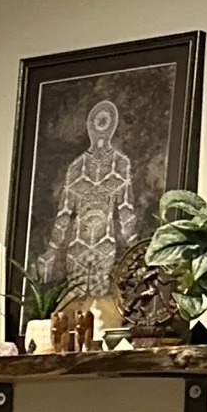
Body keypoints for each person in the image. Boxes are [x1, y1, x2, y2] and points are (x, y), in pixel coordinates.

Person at [46, 95, 139, 308]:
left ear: (112, 127)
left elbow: (125, 210)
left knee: (101, 305)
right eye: (97, 122)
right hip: (77, 246)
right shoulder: (76, 166)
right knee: (76, 303)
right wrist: (52, 250)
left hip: (105, 246)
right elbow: (64, 211)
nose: (100, 129)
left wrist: (136, 249)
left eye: (105, 122)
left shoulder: (121, 163)